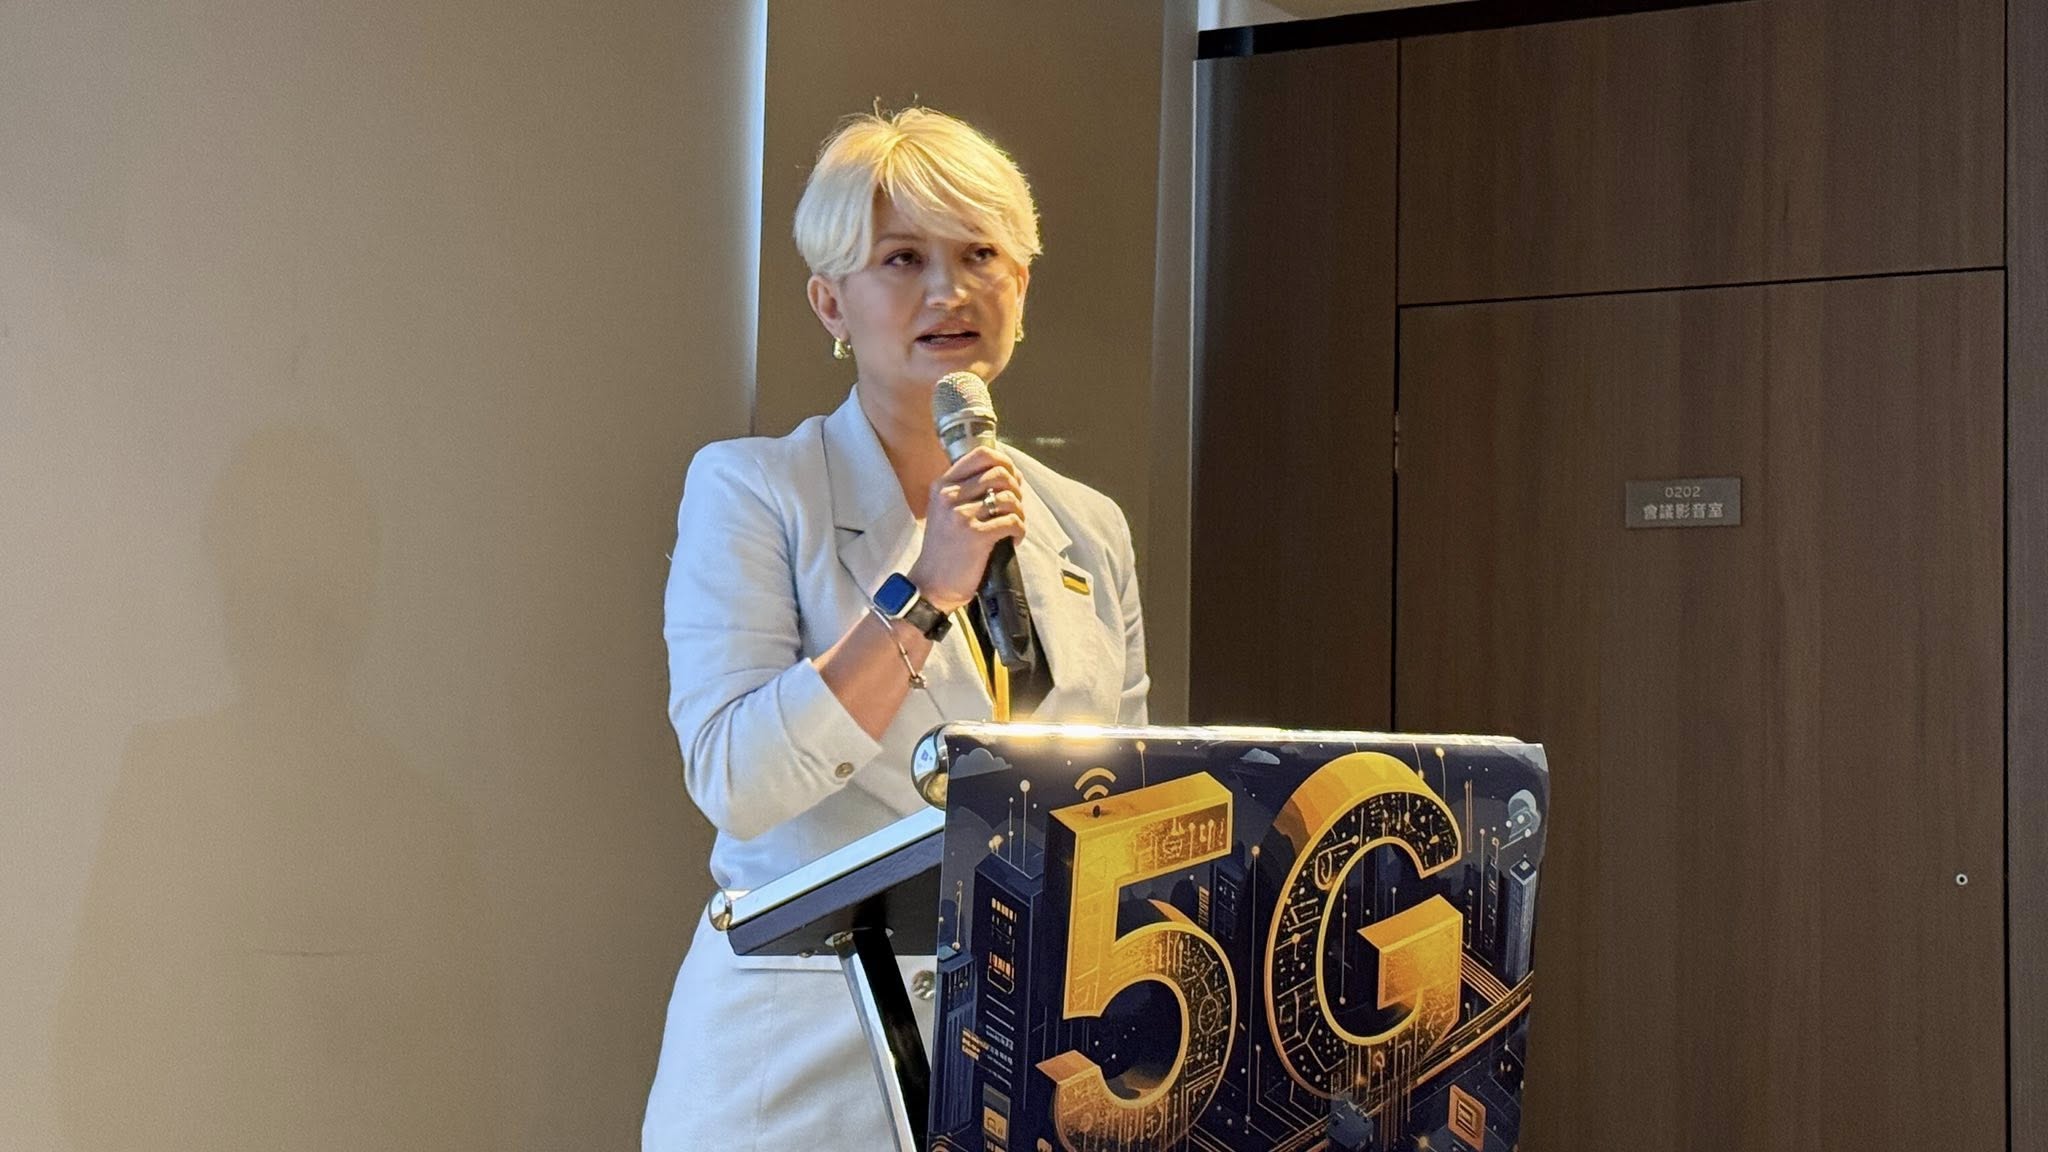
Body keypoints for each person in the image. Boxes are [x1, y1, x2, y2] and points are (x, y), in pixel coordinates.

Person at [640, 107, 1150, 1149]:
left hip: (1031, 1063)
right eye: (902, 258)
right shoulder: (754, 491)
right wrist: (922, 594)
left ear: (1021, 286)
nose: (948, 290)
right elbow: (736, 778)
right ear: (831, 301)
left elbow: (1127, 806)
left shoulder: (1086, 526)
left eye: (980, 255)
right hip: (804, 1075)